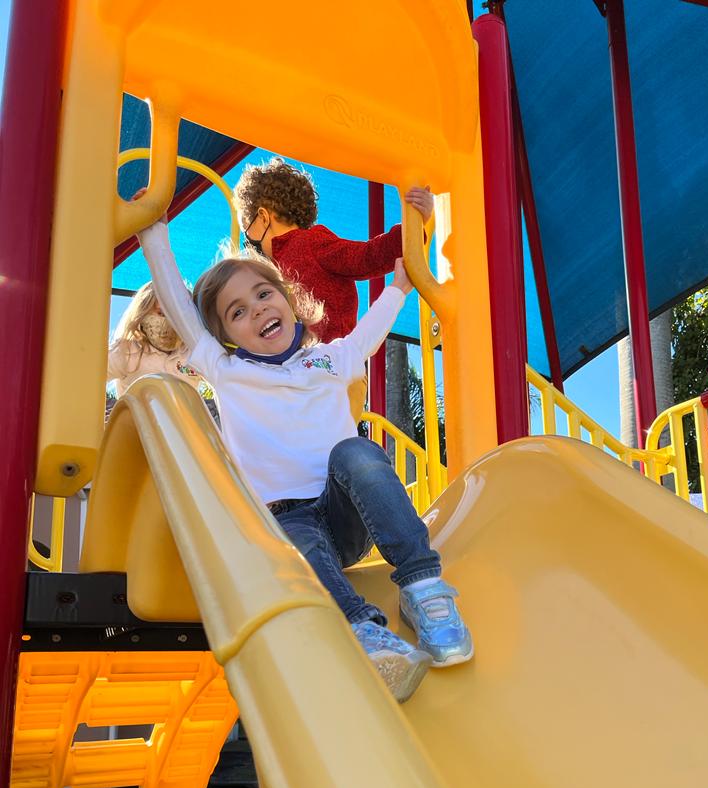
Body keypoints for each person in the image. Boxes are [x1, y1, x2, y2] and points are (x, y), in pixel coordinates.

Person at [138, 213, 472, 703]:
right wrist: (153, 233)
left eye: (263, 295)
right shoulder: (226, 370)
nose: (255, 310)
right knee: (296, 549)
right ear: (225, 336)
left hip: (347, 515)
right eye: (236, 312)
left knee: (357, 451)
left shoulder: (329, 359)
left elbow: (370, 332)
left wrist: (399, 285)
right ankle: (363, 632)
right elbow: (179, 307)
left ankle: (424, 588)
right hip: (287, 525)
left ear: (288, 299)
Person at [233, 157, 433, 343]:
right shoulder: (272, 271)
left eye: (246, 228)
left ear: (263, 217)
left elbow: (366, 257)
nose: (247, 239)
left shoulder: (311, 243)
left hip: (335, 363)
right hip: (304, 368)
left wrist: (414, 227)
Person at [107, 281, 203, 397]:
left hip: (181, 414)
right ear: (142, 313)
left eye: (176, 315)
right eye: (161, 313)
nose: (169, 321)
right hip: (138, 414)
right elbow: (89, 374)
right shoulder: (128, 351)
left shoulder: (193, 354)